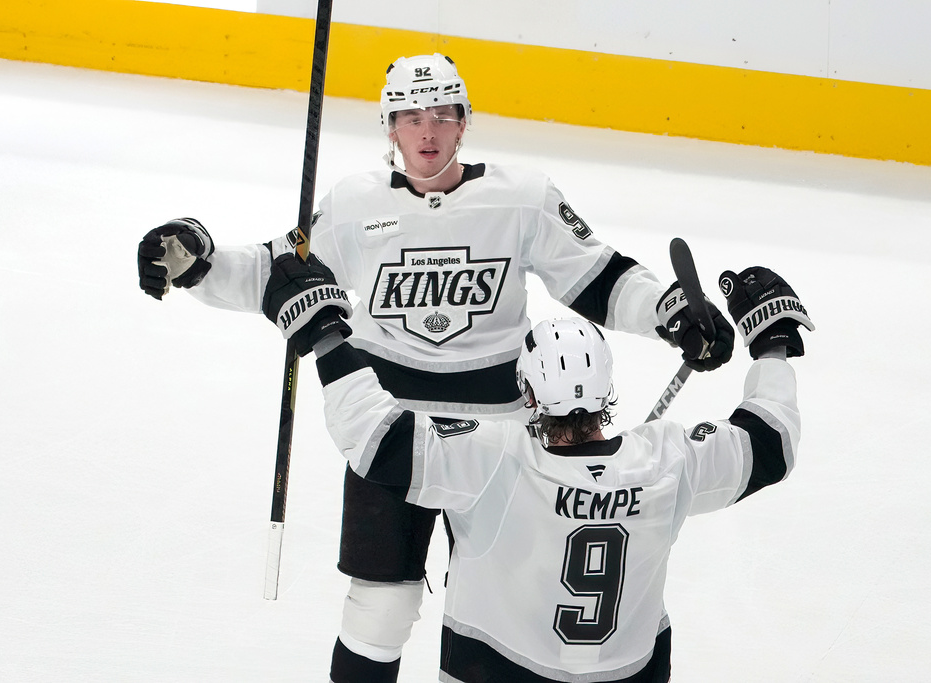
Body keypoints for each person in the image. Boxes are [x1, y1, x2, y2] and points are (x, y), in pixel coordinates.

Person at [136, 53, 735, 682]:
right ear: (389, 127)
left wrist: (669, 311)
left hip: (502, 447)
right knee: (379, 608)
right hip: (391, 434)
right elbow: (276, 271)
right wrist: (197, 262)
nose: (428, 132)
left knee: (504, 606)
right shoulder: (351, 206)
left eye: (443, 116)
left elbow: (599, 275)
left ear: (465, 122)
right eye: (412, 117)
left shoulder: (523, 198)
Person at [277, 257, 813, 682]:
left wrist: (324, 335)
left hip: (497, 671)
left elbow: (376, 439)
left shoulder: (494, 458)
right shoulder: (667, 459)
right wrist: (772, 344)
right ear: (607, 389)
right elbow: (770, 443)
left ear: (527, 390)